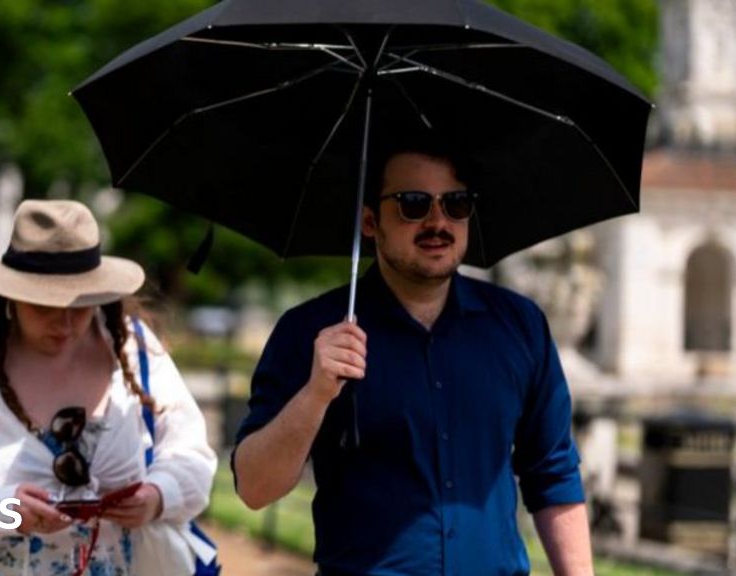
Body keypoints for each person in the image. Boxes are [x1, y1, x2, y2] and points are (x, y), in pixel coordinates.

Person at [232, 144, 592, 575]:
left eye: (456, 204)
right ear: (370, 221)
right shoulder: (309, 332)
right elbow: (254, 488)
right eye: (413, 204)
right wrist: (315, 395)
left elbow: (552, 473)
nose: (438, 222)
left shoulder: (521, 326)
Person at [0, 200, 217, 576]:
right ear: (12, 296)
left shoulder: (133, 350)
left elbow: (192, 455)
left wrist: (158, 496)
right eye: (46, 306)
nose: (66, 324)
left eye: (81, 305)